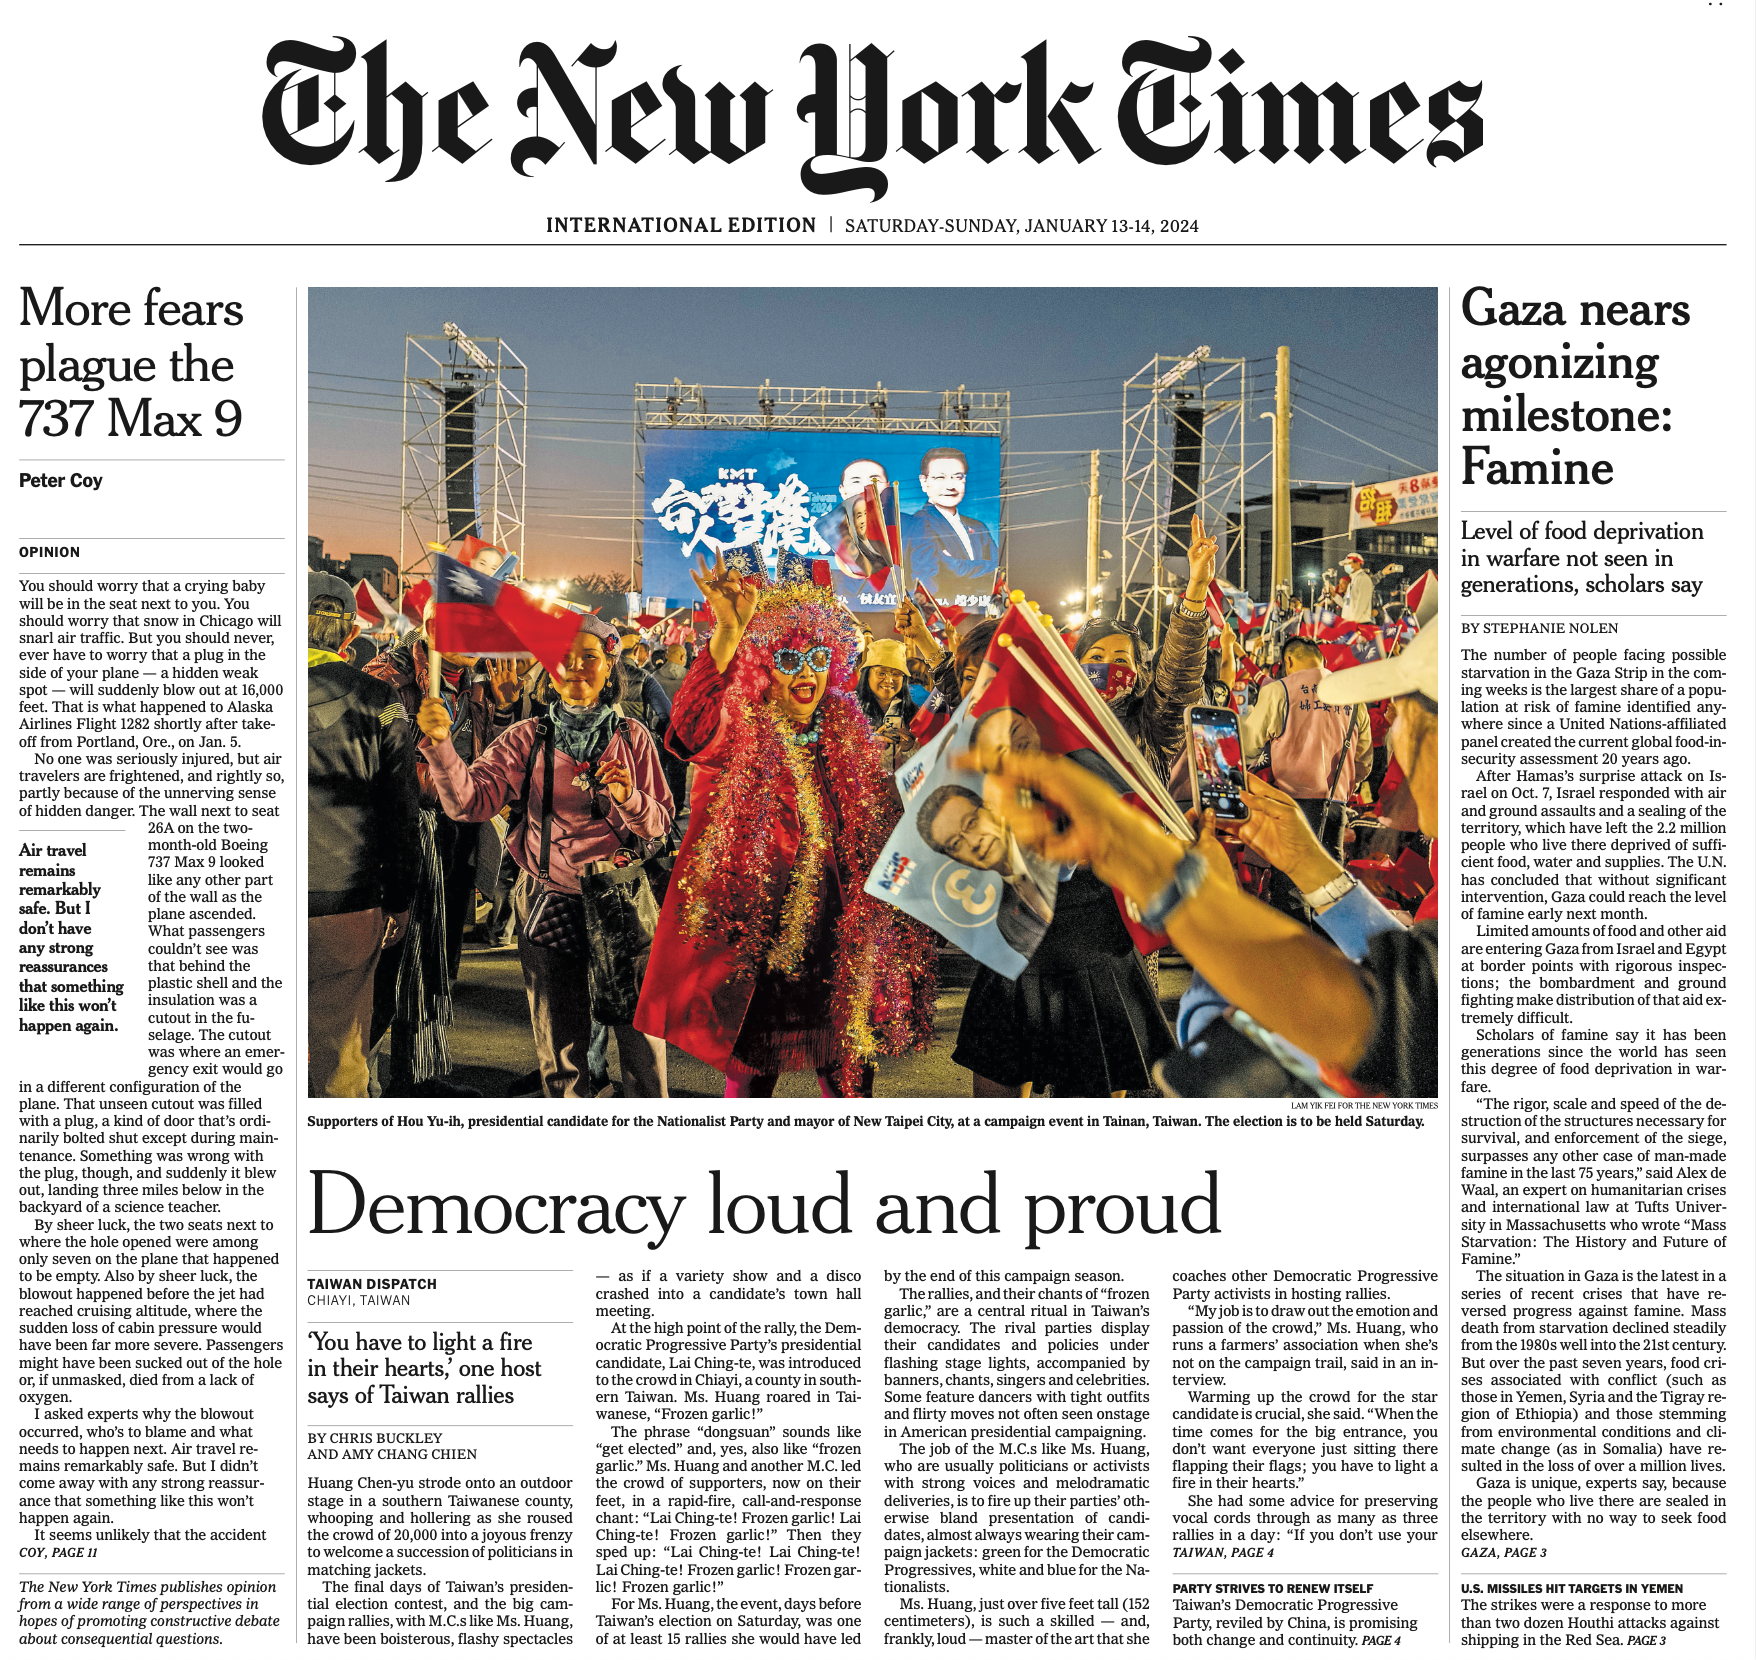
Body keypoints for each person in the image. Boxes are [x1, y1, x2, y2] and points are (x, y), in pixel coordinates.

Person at [966, 618, 1440, 1098]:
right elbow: (1409, 983)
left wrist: (1184, 889)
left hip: (1102, 935)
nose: (1391, 733)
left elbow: (1365, 1026)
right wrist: (1309, 865)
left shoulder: (1148, 720)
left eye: (1400, 716)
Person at [635, 554, 938, 1098]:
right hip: (763, 940)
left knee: (849, 1077)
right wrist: (728, 630)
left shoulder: (847, 732)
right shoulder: (743, 727)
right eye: (789, 658)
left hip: (841, 940)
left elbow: (878, 824)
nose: (806, 673)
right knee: (753, 1077)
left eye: (819, 658)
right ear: (764, 665)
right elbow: (689, 727)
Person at [414, 617, 675, 1099]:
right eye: (564, 659)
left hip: (622, 902)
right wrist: (442, 747)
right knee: (561, 1050)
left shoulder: (633, 736)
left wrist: (629, 796)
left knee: (640, 1040)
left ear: (610, 666)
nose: (576, 668)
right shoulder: (525, 737)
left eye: (589, 657)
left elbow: (659, 825)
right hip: (550, 899)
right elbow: (470, 803)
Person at [307, 574, 420, 1097]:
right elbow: (400, 809)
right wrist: (400, 897)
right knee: (340, 1063)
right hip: (347, 904)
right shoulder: (381, 700)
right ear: (351, 635)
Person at [1241, 633, 1373, 870]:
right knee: (1330, 877)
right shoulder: (1354, 697)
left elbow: (1249, 746)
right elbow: (1363, 761)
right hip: (1336, 805)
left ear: (1288, 661)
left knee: (1291, 877)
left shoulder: (1280, 690)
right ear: (1322, 660)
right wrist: (1346, 784)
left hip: (1289, 804)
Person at [916, 782, 1055, 956]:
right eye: (956, 844)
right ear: (953, 858)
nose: (973, 842)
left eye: (971, 823)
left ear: (990, 808)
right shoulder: (1005, 920)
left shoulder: (1055, 844)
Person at [902, 447, 999, 594]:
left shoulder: (978, 527)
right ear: (924, 482)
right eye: (940, 477)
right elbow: (952, 569)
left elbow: (1000, 569)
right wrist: (988, 567)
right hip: (940, 605)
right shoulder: (919, 524)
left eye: (958, 477)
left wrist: (963, 565)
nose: (950, 486)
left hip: (980, 604)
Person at [855, 638, 916, 773]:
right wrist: (867, 745)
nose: (889, 680)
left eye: (896, 674)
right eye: (881, 673)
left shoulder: (914, 714)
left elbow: (923, 765)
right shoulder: (851, 711)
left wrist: (909, 749)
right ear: (867, 674)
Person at [1341, 553, 1376, 623]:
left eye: (1348, 563)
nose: (1346, 566)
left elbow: (1362, 602)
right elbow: (1347, 603)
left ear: (1357, 563)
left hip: (1359, 623)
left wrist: (1355, 621)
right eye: (1345, 564)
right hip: (1349, 622)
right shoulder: (1352, 581)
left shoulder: (1363, 579)